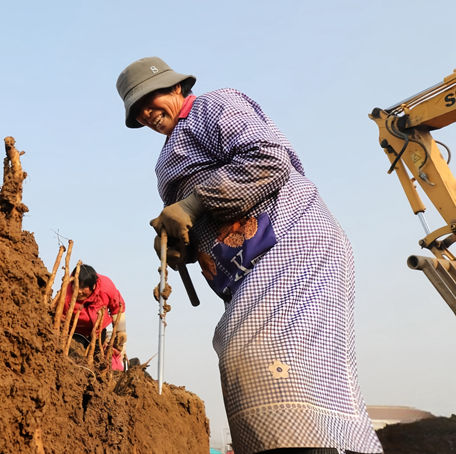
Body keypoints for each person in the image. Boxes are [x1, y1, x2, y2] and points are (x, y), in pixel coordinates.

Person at [116, 57, 383, 454]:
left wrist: (193, 203)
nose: (147, 113)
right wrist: (177, 243)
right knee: (239, 356)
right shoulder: (165, 160)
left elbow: (266, 159)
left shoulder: (215, 105)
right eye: (137, 111)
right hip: (244, 269)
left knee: (263, 352)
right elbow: (199, 225)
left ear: (176, 88)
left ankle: (319, 445)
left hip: (290, 242)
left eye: (149, 100)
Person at [62, 264, 127, 369]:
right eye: (76, 285)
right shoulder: (65, 295)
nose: (79, 291)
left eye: (83, 287)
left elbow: (117, 307)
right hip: (75, 334)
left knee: (100, 362)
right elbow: (60, 318)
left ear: (93, 286)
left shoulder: (106, 287)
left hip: (98, 332)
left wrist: (121, 332)